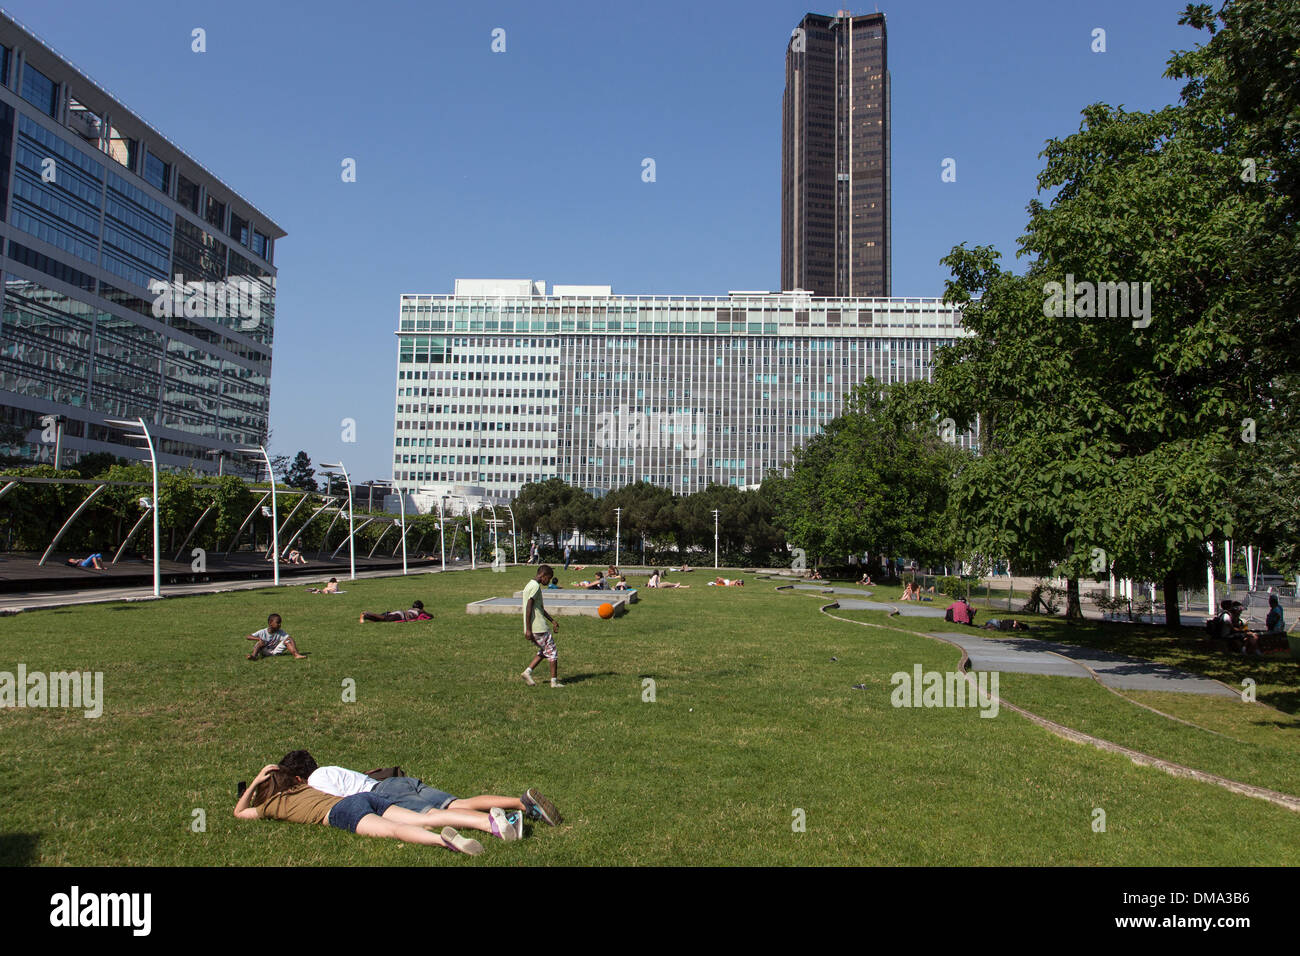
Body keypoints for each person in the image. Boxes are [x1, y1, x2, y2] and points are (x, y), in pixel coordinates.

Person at [233, 763, 485, 855]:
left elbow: (239, 812)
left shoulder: (270, 806)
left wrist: (256, 781)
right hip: (364, 796)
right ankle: (485, 823)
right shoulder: (306, 786)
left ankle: (441, 841)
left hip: (341, 812)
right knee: (426, 816)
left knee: (396, 831)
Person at [278, 750, 561, 831]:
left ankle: (500, 823)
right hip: (396, 781)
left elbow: (339, 803)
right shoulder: (330, 768)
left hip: (384, 795)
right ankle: (521, 803)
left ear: (299, 778)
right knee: (456, 802)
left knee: (437, 815)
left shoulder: (316, 781)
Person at [522, 565, 563, 688]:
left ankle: (527, 672)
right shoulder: (535, 587)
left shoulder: (529, 585)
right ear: (543, 576)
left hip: (534, 627)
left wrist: (552, 620)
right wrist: (528, 629)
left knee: (545, 650)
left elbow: (539, 608)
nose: (548, 581)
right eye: (548, 578)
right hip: (538, 627)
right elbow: (529, 608)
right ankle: (554, 682)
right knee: (552, 652)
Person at [359, 600, 431, 623]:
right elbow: (430, 615)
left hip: (399, 612)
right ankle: (367, 613)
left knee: (381, 619)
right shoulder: (420, 611)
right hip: (401, 615)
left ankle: (366, 616)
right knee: (384, 618)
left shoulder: (411, 609)